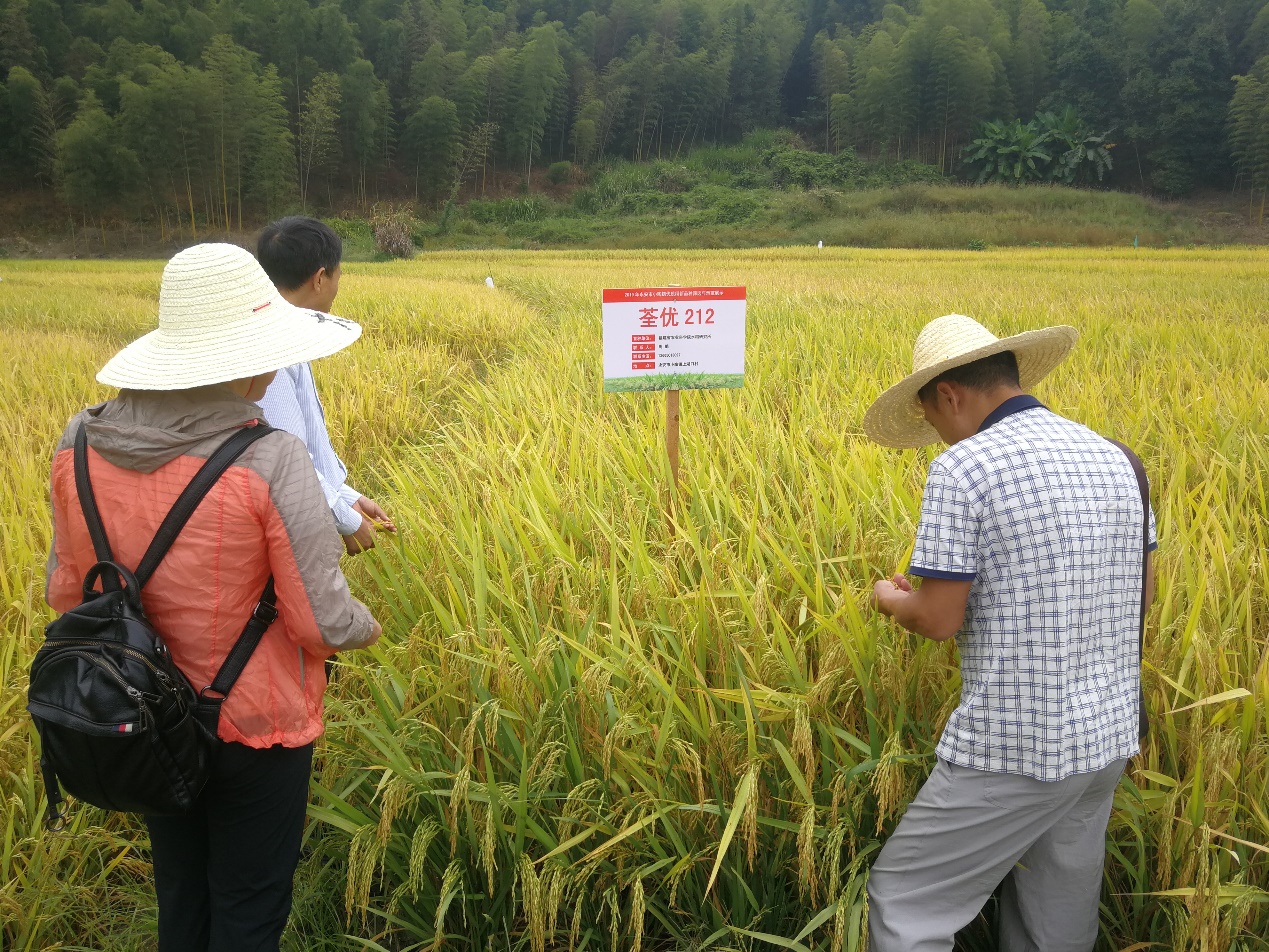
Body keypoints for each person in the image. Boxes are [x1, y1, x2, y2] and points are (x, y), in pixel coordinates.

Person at [45, 242, 382, 952]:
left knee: (181, 890)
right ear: (236, 358)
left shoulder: (79, 441)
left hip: (142, 711)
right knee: (250, 902)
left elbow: (66, 593)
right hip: (256, 725)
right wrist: (366, 625)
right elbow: (320, 622)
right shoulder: (268, 457)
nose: (272, 369)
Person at [861, 314, 1156, 952]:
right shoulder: (1117, 459)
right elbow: (1140, 597)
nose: (939, 440)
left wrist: (890, 599)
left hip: (1016, 745)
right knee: (1055, 918)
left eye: (933, 424)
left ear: (948, 394)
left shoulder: (964, 469)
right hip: (1106, 736)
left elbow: (939, 619)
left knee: (906, 902)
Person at [255, 216, 395, 556]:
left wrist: (346, 497)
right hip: (275, 535)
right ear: (320, 278)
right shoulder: (267, 351)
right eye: (337, 276)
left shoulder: (285, 332)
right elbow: (287, 461)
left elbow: (304, 448)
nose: (336, 286)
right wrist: (345, 518)